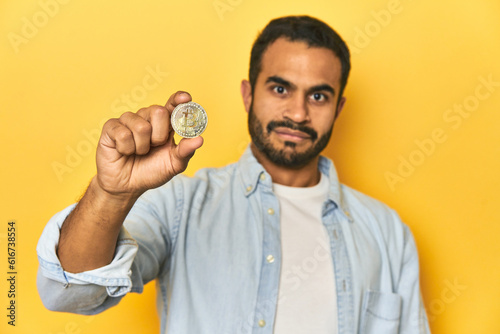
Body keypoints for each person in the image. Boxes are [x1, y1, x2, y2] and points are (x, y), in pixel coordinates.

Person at [37, 15, 430, 334]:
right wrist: (111, 195)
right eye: (280, 89)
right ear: (248, 94)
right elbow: (68, 293)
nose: (297, 113)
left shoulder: (388, 232)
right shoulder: (181, 205)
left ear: (338, 107)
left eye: (318, 95)